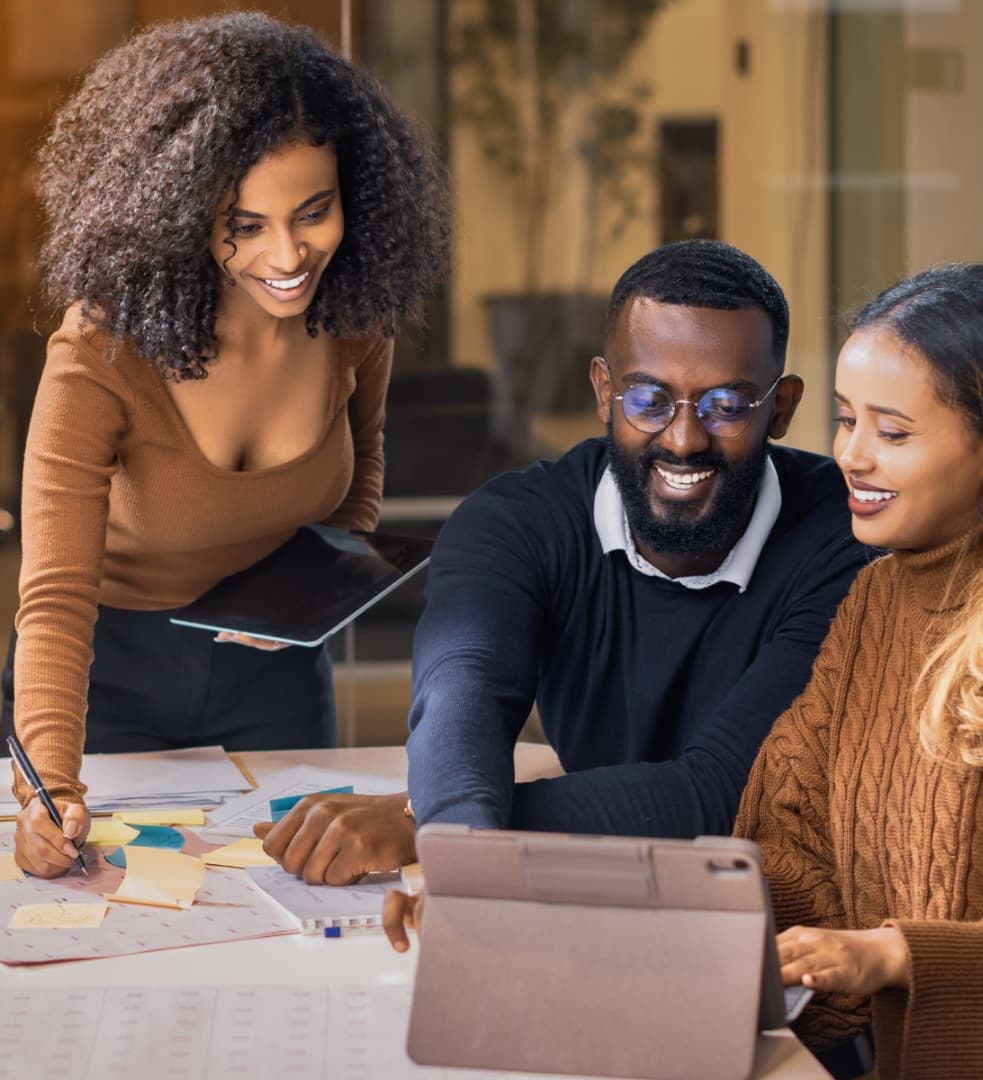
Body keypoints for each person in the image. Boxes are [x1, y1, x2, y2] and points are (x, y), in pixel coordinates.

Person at [257, 239, 870, 885]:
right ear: (604, 392)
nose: (685, 439)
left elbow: (721, 791)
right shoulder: (516, 524)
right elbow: (463, 696)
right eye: (648, 400)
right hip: (578, 879)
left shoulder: (845, 543)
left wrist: (433, 829)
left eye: (724, 405)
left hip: (790, 901)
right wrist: (456, 823)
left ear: (780, 406)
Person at [6, 11, 449, 879]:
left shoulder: (354, 319)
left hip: (275, 677)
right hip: (111, 676)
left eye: (312, 213)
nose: (287, 255)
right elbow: (54, 595)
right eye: (241, 225)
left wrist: (303, 599)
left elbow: (356, 484)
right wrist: (47, 790)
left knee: (308, 906)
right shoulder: (102, 351)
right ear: (174, 214)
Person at [732, 263, 983, 1079]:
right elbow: (790, 840)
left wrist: (893, 956)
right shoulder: (875, 598)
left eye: (893, 432)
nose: (850, 456)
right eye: (845, 421)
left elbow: (873, 948)